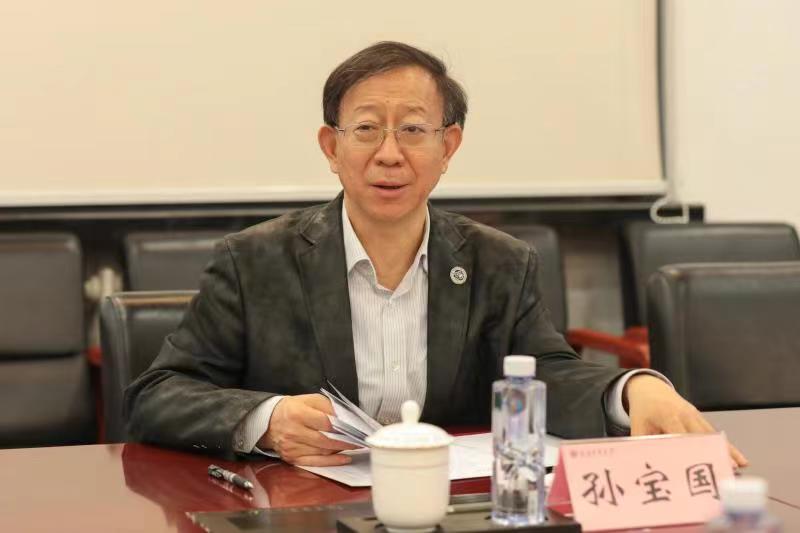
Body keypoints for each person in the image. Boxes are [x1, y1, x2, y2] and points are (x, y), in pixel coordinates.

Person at [124, 41, 747, 468]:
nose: (389, 153)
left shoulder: (499, 262)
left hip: (451, 508)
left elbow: (545, 375)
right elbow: (158, 395)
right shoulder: (255, 260)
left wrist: (635, 389)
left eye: (414, 130)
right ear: (331, 146)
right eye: (366, 128)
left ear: (448, 147)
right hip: (301, 509)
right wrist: (267, 418)